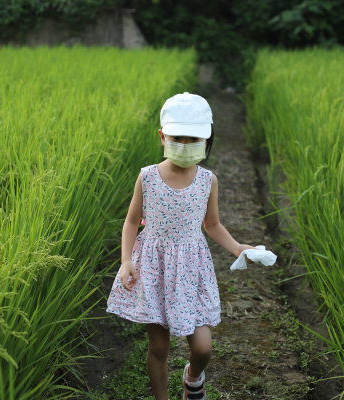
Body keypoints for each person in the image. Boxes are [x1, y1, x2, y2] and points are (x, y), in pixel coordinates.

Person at [106, 92, 256, 400]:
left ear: (205, 140)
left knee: (202, 347)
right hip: (154, 267)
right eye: (178, 138)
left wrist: (237, 247)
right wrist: (126, 260)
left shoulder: (207, 180)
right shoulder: (147, 177)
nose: (185, 146)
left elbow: (211, 224)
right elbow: (132, 222)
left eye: (193, 139)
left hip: (190, 270)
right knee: (158, 347)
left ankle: (193, 377)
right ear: (162, 136)